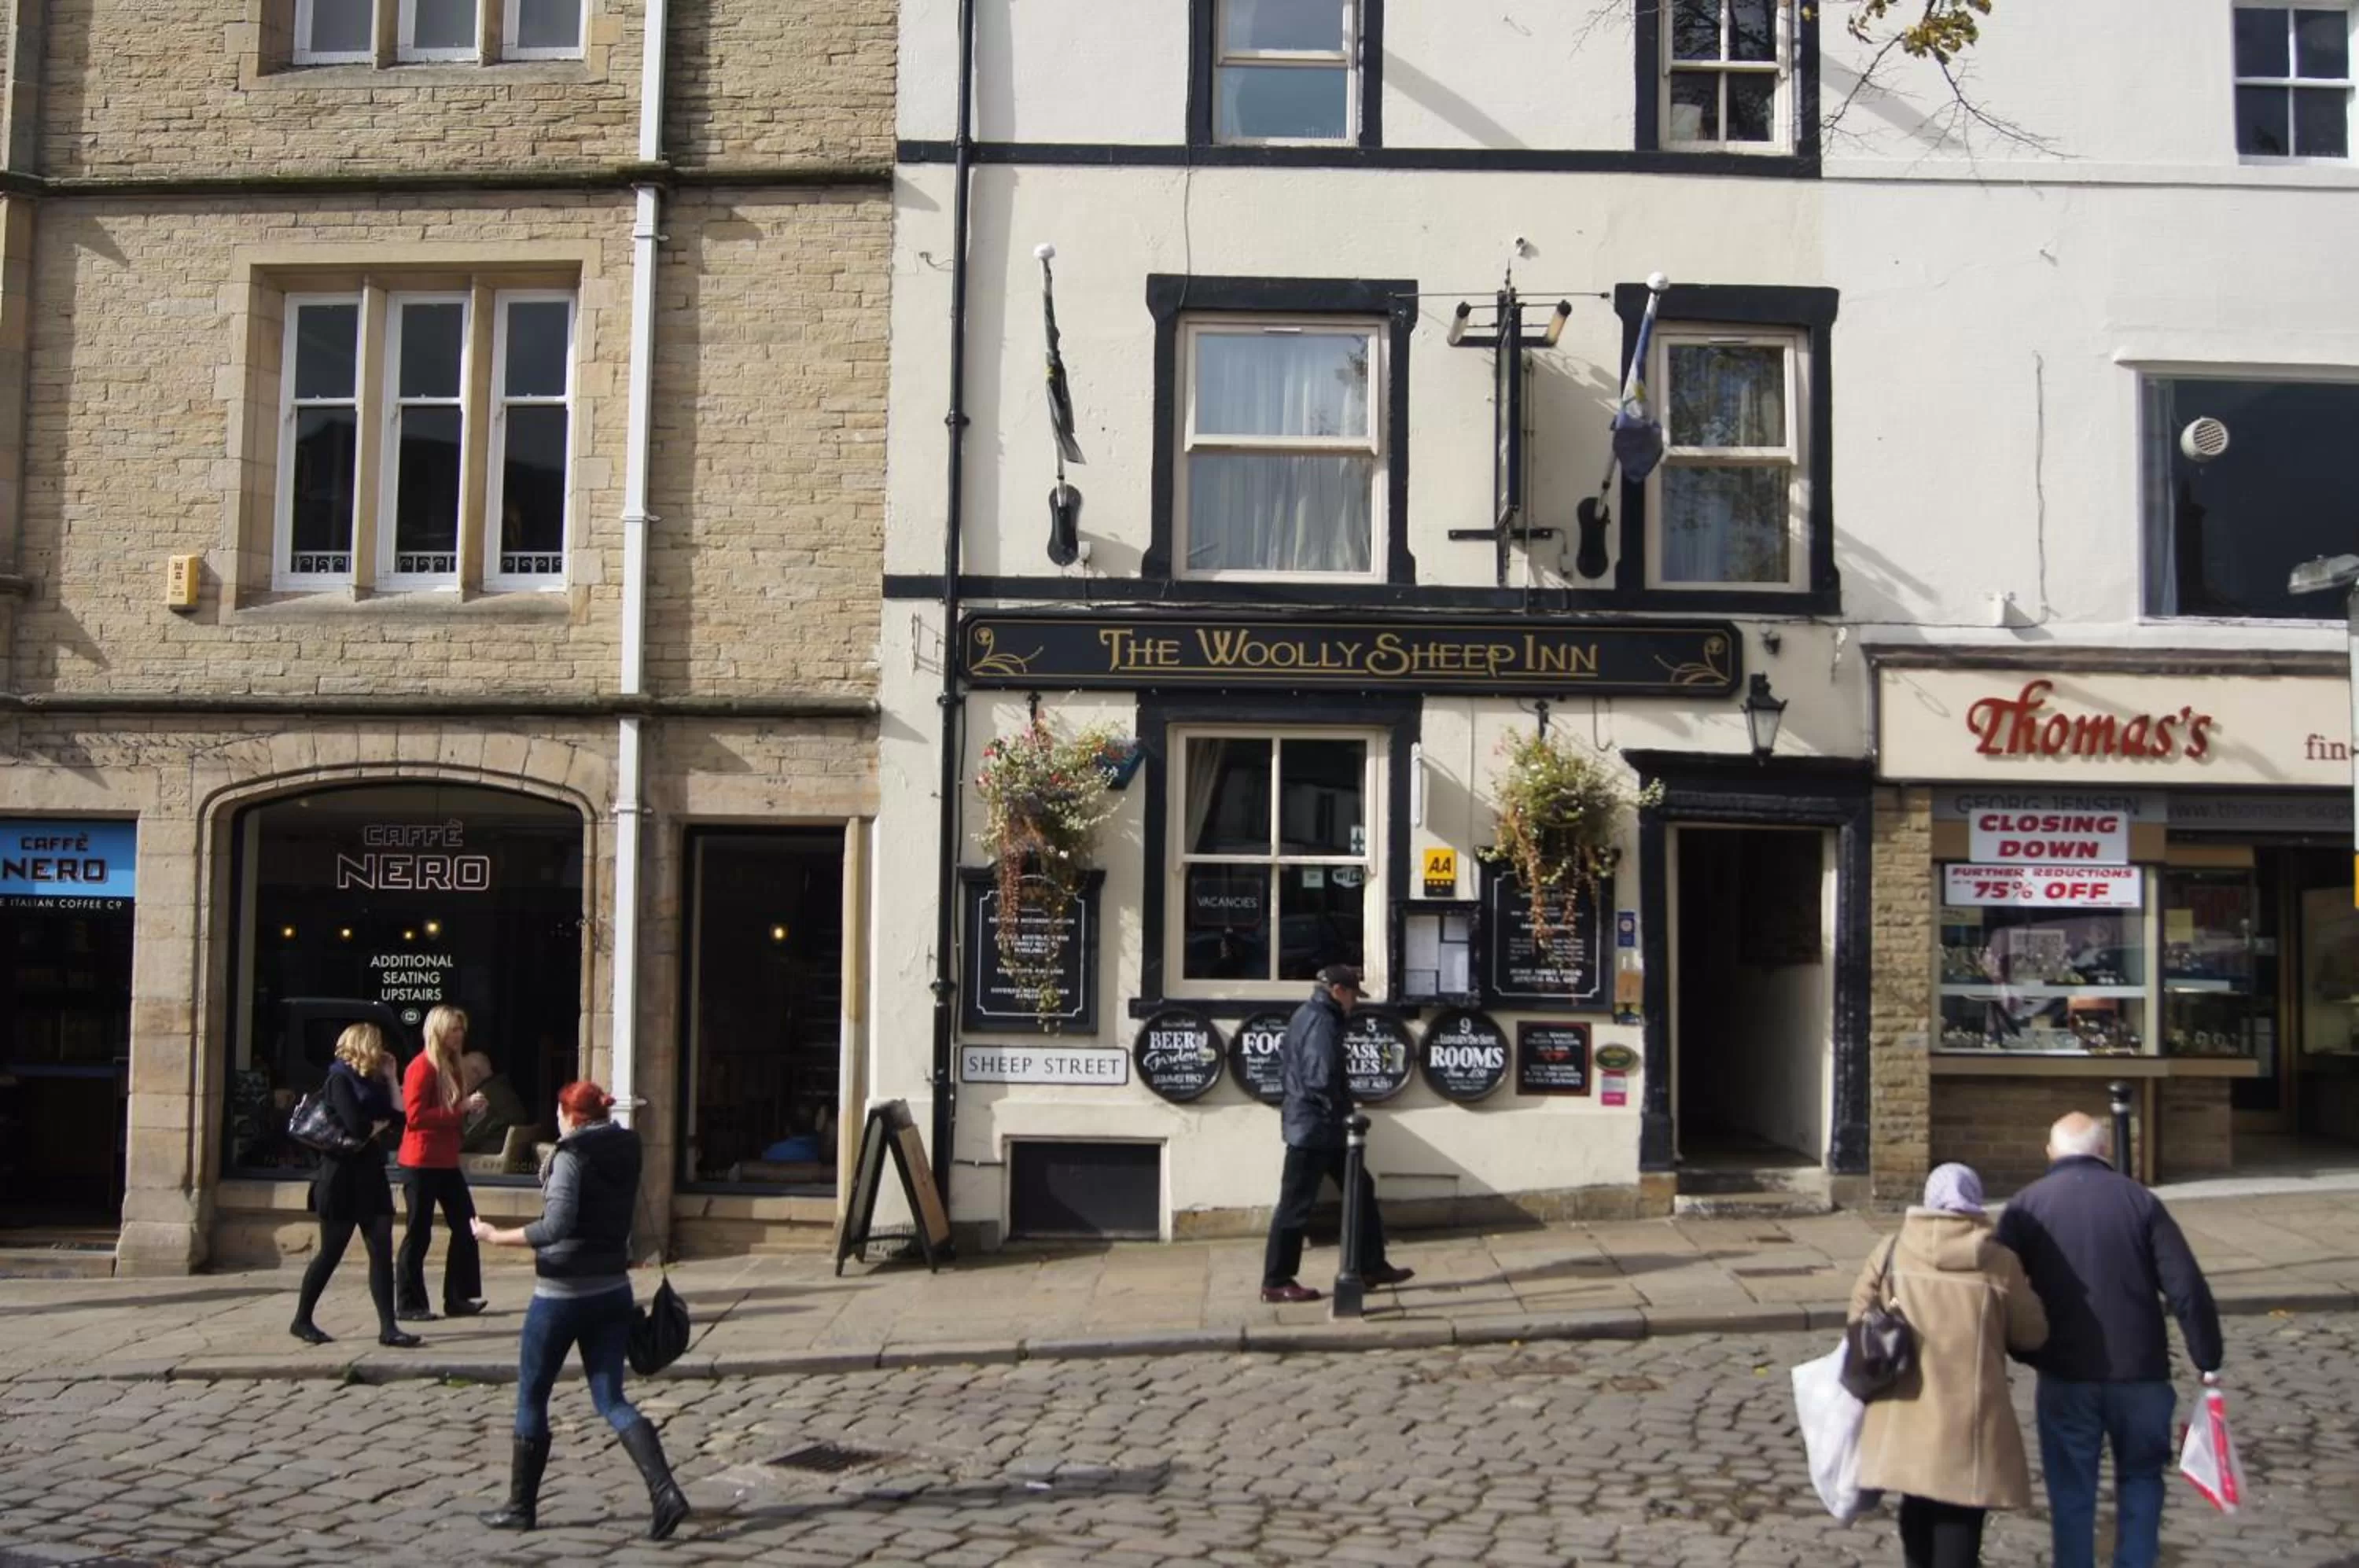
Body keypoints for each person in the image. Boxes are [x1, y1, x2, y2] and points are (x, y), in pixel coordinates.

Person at [1995, 1112, 2223, 1568]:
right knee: (2141, 1483)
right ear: (2104, 1151)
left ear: (2050, 1153)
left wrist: (2021, 1349)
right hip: (2141, 1373)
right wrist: (2208, 1357)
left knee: (2071, 1492)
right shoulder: (2140, 1201)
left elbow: (2001, 1289)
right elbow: (2185, 1287)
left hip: (2065, 1373)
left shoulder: (2025, 1206)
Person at [471, 1080, 690, 1541]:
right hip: (612, 1287)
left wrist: (495, 1236)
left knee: (532, 1395)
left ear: (570, 1117)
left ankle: (520, 1507)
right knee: (611, 1398)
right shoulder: (625, 1148)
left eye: (559, 1112)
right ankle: (665, 1491)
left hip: (561, 1294)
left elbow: (556, 1225)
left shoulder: (570, 1157)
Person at [1849, 1164, 2047, 1568]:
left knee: (1916, 1505)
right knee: (1960, 1514)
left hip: (1905, 1409)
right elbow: (2033, 1335)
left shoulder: (1892, 1249)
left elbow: (1857, 1321)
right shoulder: (2000, 1262)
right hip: (1970, 1419)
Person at [1259, 963, 1412, 1305]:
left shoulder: (1310, 1013)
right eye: (1353, 995)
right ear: (1337, 991)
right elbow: (1319, 1076)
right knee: (1296, 1205)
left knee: (1361, 1189)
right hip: (1315, 1127)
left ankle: (1371, 1265)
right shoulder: (1322, 1021)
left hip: (1321, 1126)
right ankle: (1276, 1280)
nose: (1354, 1003)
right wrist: (1339, 1110)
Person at [289, 1022, 421, 1349]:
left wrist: (392, 1078)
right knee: (331, 1252)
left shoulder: (373, 1081)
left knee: (381, 1250)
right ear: (364, 1046)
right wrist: (377, 1125)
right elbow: (358, 1127)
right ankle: (302, 1318)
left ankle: (388, 1328)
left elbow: (400, 1119)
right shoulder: (339, 1079)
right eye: (377, 1045)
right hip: (340, 1177)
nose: (382, 1052)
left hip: (371, 1173)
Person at [395, 1005, 489, 1321]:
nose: (459, 1035)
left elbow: (453, 1112)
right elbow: (415, 1117)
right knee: (418, 1232)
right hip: (420, 1160)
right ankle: (409, 1304)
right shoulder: (421, 1067)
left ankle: (458, 1296)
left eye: (461, 1029)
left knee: (466, 1225)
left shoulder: (453, 1066)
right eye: (453, 1029)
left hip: (447, 1159)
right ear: (438, 1031)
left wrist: (471, 1109)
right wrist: (460, 1107)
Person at [459, 1049, 532, 1156]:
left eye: (461, 1074)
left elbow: (464, 1139)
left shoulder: (483, 1098)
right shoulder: (503, 1089)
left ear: (475, 1073)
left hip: (484, 1162)